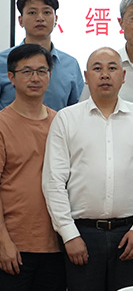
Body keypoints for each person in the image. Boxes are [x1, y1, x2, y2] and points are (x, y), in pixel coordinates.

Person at [42, 47, 133, 291]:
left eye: (112, 68)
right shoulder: (66, 118)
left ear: (123, 76)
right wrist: (69, 234)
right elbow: (53, 181)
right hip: (82, 235)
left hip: (131, 234)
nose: (105, 74)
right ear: (86, 77)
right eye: (97, 68)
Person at [0, 44, 65, 291]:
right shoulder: (2, 124)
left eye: (41, 71)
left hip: (57, 244)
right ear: (11, 77)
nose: (35, 78)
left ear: (50, 75)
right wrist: (3, 242)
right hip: (14, 246)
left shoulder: (61, 123)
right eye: (26, 71)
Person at [0, 0, 83, 111]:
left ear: (56, 19)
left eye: (46, 12)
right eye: (32, 13)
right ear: (20, 20)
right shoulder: (2, 61)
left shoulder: (70, 64)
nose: (40, 18)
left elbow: (78, 111)